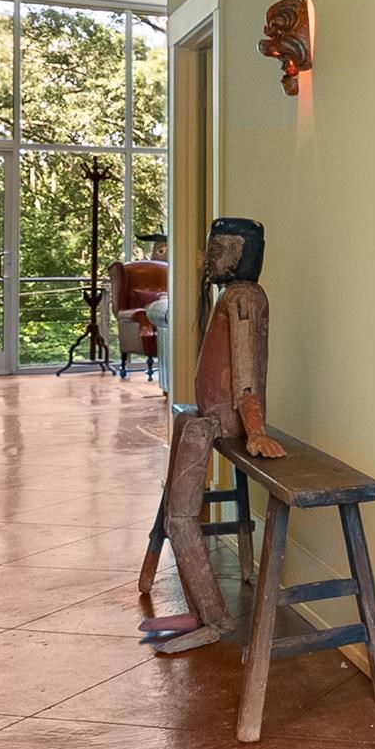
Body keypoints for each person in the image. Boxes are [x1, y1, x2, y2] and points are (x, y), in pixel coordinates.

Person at [137, 217, 282, 648]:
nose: (208, 258)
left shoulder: (241, 297)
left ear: (239, 253)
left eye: (217, 249)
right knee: (177, 517)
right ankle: (202, 612)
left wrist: (254, 430)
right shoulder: (234, 296)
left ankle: (213, 619)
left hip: (219, 423)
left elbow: (246, 375)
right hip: (205, 418)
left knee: (180, 519)